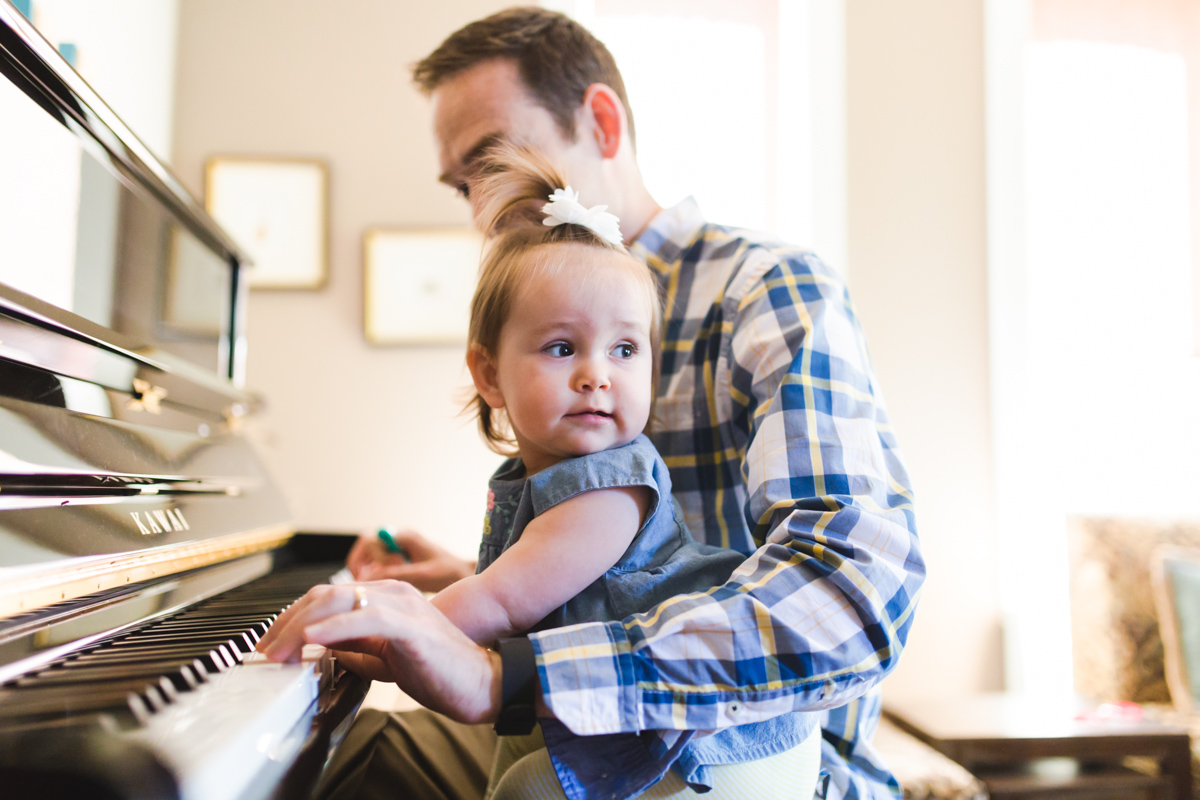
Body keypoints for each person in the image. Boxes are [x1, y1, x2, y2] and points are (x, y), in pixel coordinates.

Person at [261, 8, 924, 800]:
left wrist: (510, 672)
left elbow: (851, 592)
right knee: (328, 758)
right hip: (592, 725)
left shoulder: (766, 289)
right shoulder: (538, 313)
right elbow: (611, 562)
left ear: (601, 121)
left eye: (492, 160)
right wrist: (474, 585)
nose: (479, 207)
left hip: (745, 763)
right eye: (462, 183)